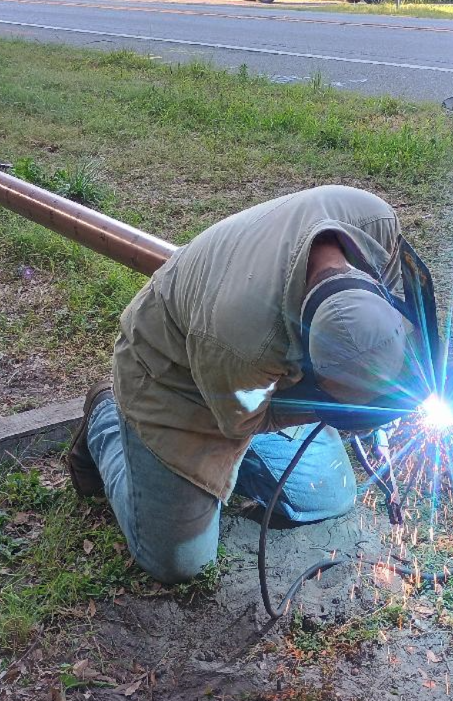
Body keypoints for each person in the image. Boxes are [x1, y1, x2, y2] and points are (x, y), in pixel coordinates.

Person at [66, 185, 414, 584]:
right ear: (310, 368)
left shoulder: (375, 224)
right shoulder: (242, 347)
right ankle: (106, 419)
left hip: (243, 364)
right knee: (179, 563)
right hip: (170, 371)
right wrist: (331, 407)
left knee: (326, 498)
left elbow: (390, 327)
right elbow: (245, 422)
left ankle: (224, 471)